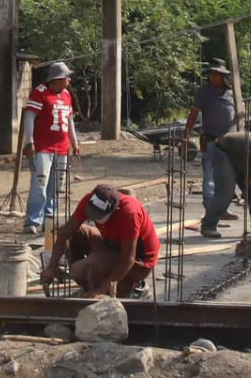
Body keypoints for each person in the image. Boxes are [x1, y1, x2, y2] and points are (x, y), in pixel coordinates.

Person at [40, 182, 160, 298]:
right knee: (76, 233)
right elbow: (65, 233)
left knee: (79, 270)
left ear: (114, 210)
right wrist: (51, 266)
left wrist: (100, 291)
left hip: (138, 262)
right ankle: (90, 287)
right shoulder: (91, 200)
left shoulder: (129, 213)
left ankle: (129, 288)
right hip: (112, 245)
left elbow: (128, 260)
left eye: (99, 216)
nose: (95, 219)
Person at [20, 61, 80, 235]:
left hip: (61, 149)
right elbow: (30, 117)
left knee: (55, 186)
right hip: (43, 148)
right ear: (58, 78)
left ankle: (50, 218)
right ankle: (32, 220)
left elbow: (70, 121)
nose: (69, 79)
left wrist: (74, 143)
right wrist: (29, 141)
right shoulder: (39, 93)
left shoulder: (67, 95)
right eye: (66, 77)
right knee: (40, 184)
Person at [181, 60, 238, 217]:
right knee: (209, 178)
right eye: (211, 74)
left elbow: (239, 113)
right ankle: (210, 211)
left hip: (229, 142)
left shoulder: (232, 93)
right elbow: (194, 114)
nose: (212, 77)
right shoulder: (204, 92)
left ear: (222, 76)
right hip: (211, 140)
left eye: (215, 75)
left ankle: (222, 208)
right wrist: (187, 133)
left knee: (226, 178)